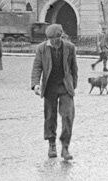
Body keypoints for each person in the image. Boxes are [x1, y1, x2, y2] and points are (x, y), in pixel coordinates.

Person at [31, 24, 78, 161]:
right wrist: (35, 85)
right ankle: (51, 144)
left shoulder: (69, 47)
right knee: (50, 116)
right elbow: (37, 67)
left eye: (56, 39)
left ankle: (65, 146)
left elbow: (74, 67)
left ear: (61, 36)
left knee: (68, 116)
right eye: (51, 39)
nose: (54, 42)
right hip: (50, 87)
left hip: (65, 86)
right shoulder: (42, 48)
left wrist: (73, 84)